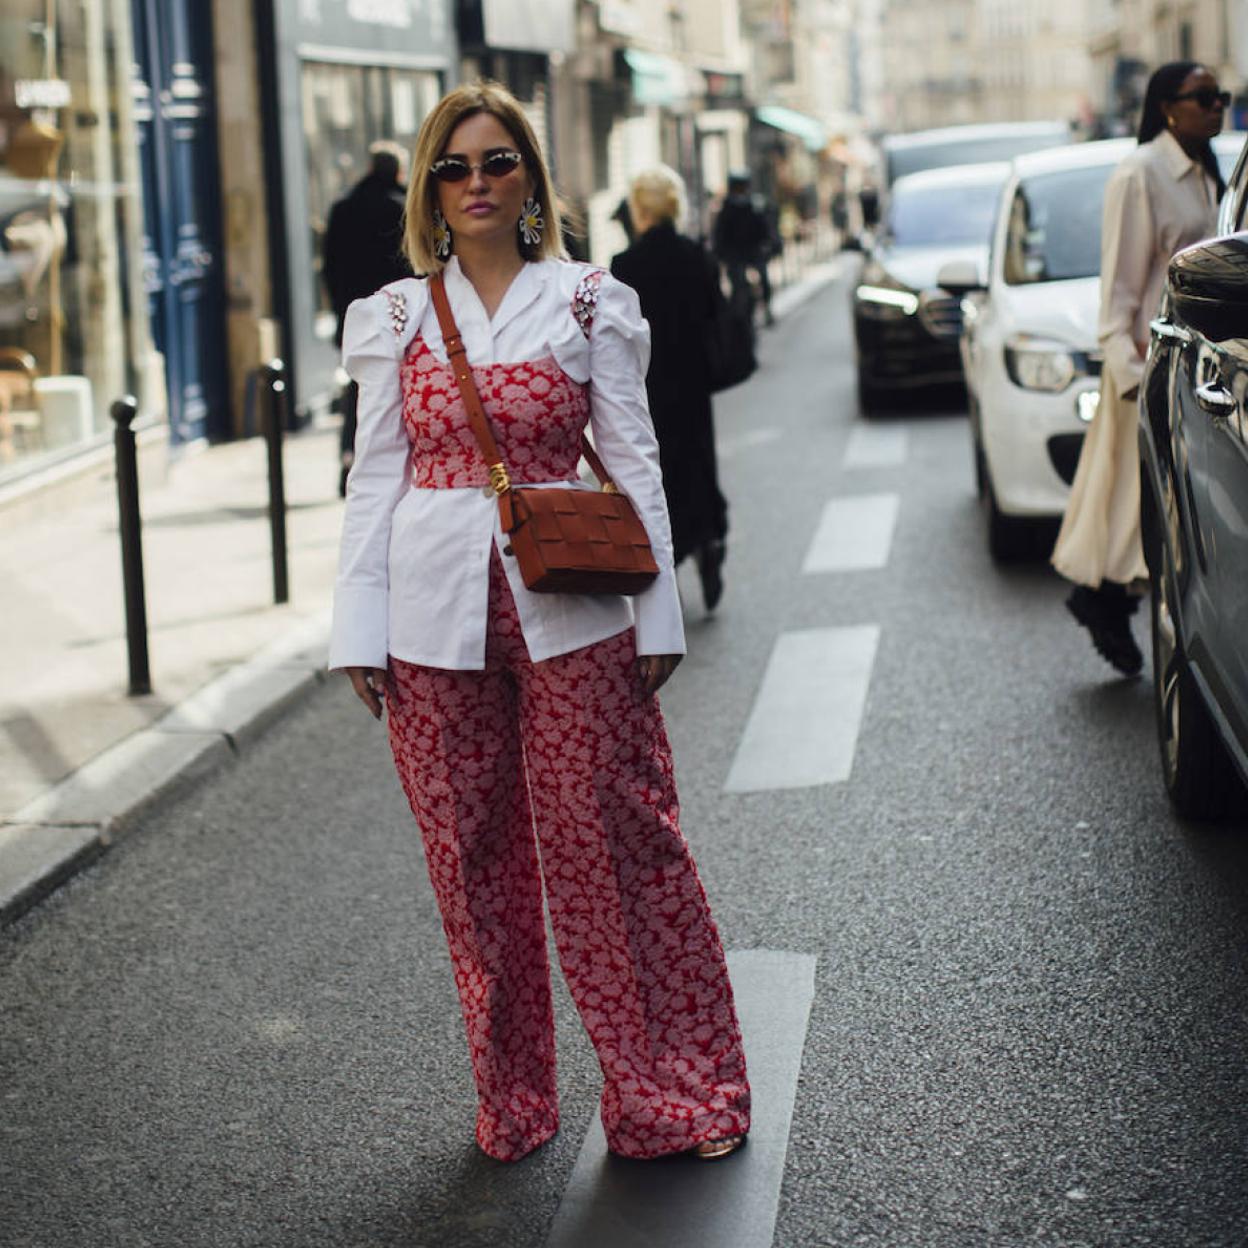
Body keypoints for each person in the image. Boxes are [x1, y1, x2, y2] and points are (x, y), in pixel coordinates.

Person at [329, 81, 750, 1164]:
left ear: (529, 178)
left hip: (576, 608)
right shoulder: (392, 316)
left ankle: (670, 1089)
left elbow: (635, 453)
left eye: (497, 162)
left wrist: (660, 613)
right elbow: (374, 476)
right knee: (473, 863)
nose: (475, 184)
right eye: (453, 167)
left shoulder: (588, 300)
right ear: (429, 186)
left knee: (615, 846)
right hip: (429, 623)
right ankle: (514, 1097)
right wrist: (355, 628)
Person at [1052, 61, 1226, 676]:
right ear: (1166, 107)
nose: (1216, 107)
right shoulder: (1139, 173)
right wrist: (1130, 374)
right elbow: (1121, 288)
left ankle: (1100, 601)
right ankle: (1105, 604)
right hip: (1147, 364)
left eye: (1220, 96)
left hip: (1198, 364)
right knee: (1134, 499)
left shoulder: (1209, 169)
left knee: (1139, 500)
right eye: (1202, 97)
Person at [611, 165, 730, 612]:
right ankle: (710, 539)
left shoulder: (626, 265)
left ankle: (672, 559)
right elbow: (714, 314)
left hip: (649, 384)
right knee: (700, 462)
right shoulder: (696, 255)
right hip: (694, 380)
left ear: (639, 210)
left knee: (661, 471)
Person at [322, 140, 412, 495]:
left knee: (358, 390)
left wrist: (341, 312)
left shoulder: (344, 208)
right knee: (396, 394)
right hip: (399, 317)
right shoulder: (403, 209)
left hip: (355, 316)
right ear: (399, 171)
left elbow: (330, 267)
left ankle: (349, 463)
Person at [712, 171, 776, 327]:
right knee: (738, 286)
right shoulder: (727, 209)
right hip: (735, 255)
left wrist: (767, 244)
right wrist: (721, 254)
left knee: (764, 280)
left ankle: (766, 308)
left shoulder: (753, 206)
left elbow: (764, 229)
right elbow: (720, 235)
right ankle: (738, 318)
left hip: (753, 252)